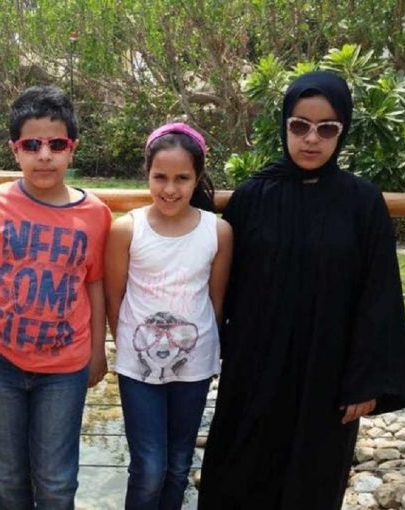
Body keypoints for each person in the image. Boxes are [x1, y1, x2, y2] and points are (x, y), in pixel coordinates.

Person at [197, 71, 405, 509]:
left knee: (313, 482)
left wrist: (364, 381)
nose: (311, 139)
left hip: (327, 377)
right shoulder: (252, 197)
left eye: (326, 128)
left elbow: (379, 295)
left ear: (342, 130)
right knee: (239, 474)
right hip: (255, 369)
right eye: (300, 125)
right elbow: (217, 275)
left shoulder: (362, 203)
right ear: (285, 125)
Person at [0, 85, 112, 509]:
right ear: (15, 150)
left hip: (66, 367)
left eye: (56, 145)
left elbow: (94, 283)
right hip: (0, 360)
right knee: (7, 478)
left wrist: (98, 349)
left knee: (57, 481)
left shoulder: (96, 214)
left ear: (72, 149)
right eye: (31, 145)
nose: (44, 155)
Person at [105, 122, 233, 510]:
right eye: (160, 177)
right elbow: (114, 298)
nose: (170, 189)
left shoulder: (218, 232)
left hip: (195, 366)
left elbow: (216, 302)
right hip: (138, 366)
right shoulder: (127, 230)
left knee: (178, 465)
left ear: (198, 177)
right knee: (149, 467)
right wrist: (129, 348)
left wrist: (204, 352)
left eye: (182, 178)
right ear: (147, 173)